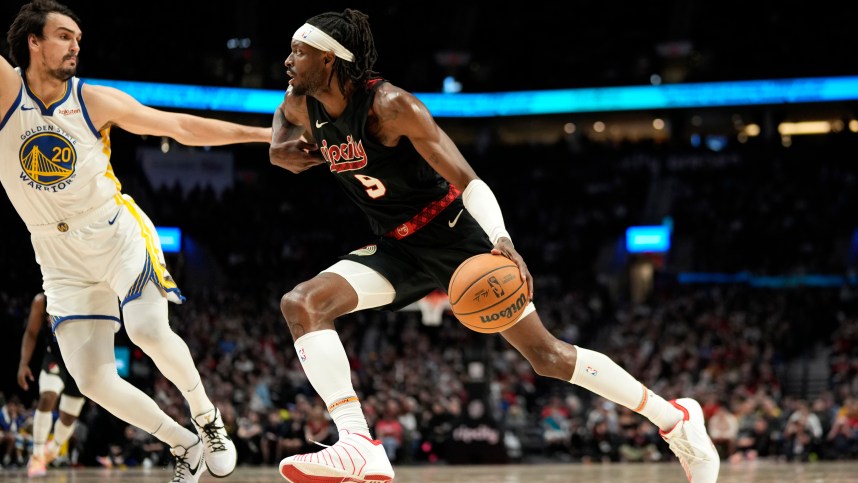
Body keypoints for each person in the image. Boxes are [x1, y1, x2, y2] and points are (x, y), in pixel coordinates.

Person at [268, 8, 720, 483]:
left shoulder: (392, 106)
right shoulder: (302, 100)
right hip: (397, 246)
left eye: (300, 51)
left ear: (331, 60)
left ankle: (676, 421)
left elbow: (467, 179)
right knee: (302, 303)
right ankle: (359, 444)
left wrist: (501, 240)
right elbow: (282, 117)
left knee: (546, 357)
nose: (287, 59)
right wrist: (279, 148)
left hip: (454, 235)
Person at [0, 1, 271, 481]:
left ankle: (207, 420)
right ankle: (182, 443)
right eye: (64, 36)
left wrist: (266, 134)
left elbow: (180, 127)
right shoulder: (7, 95)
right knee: (92, 380)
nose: (75, 46)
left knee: (146, 328)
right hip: (58, 257)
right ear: (32, 42)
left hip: (115, 234)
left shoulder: (92, 100)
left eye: (78, 40)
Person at [17, 292, 86, 477]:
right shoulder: (42, 300)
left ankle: (54, 449)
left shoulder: (85, 291)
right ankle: (37, 455)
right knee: (47, 396)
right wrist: (23, 364)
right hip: (55, 356)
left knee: (69, 417)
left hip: (81, 358)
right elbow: (31, 333)